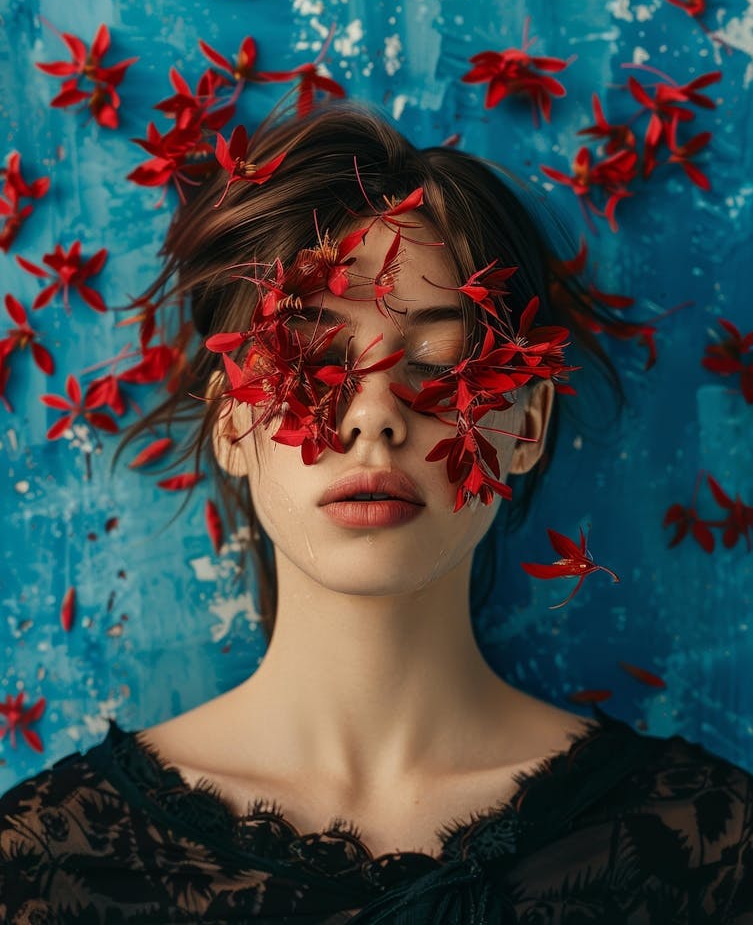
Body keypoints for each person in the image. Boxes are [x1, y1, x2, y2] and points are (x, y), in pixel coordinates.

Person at [1, 104, 751, 923]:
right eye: (313, 360)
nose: (373, 416)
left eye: (438, 360)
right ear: (228, 425)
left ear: (528, 425)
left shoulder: (707, 849)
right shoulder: (45, 864)